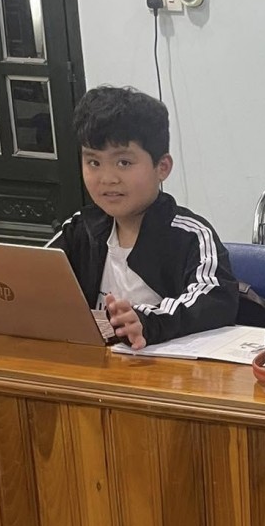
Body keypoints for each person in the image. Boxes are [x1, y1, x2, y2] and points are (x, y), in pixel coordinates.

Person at [48, 86, 238, 348]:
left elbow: (214, 298)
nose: (107, 178)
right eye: (94, 163)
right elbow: (32, 276)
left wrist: (147, 322)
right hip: (96, 364)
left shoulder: (189, 235)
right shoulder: (81, 228)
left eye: (124, 163)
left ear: (162, 167)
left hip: (162, 366)